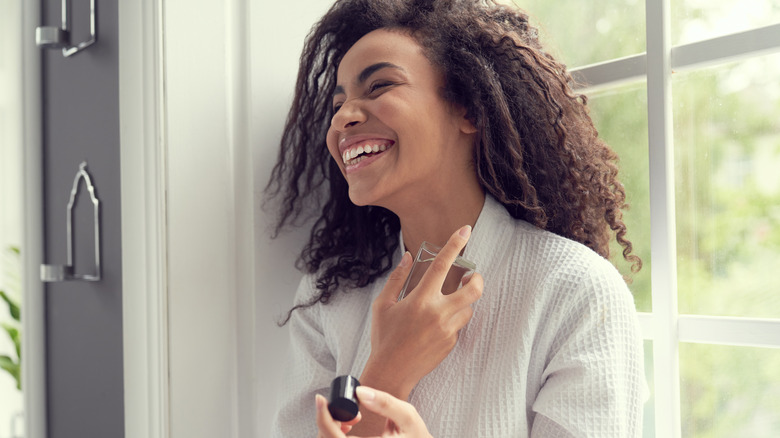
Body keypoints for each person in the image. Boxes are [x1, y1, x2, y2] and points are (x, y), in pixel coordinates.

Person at [265, 0, 646, 436]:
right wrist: (388, 369)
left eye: (379, 86)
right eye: (338, 103)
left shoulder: (575, 291)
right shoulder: (329, 298)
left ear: (468, 109)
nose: (343, 117)